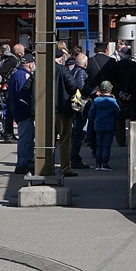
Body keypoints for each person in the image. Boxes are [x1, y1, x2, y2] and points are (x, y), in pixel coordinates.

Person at [54, 50, 80, 178]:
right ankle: (65, 168)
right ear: (60, 58)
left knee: (46, 142)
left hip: (45, 112)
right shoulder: (63, 70)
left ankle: (45, 166)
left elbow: (28, 86)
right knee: (64, 141)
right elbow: (73, 85)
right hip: (63, 110)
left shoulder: (40, 70)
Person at [8, 53, 36, 176]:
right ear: (30, 64)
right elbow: (24, 96)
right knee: (26, 140)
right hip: (24, 113)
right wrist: (31, 111)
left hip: (19, 111)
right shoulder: (24, 76)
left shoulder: (16, 74)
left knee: (27, 139)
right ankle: (22, 164)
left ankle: (27, 162)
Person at [87, 81, 121, 171]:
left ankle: (98, 164)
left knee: (99, 145)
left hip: (98, 125)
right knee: (106, 145)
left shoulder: (96, 100)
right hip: (109, 125)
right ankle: (104, 163)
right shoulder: (112, 101)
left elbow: (91, 113)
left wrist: (95, 120)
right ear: (110, 89)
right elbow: (118, 113)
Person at [0, 44, 21, 141]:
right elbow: (2, 72)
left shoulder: (1, 59)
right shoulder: (12, 60)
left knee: (5, 110)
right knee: (9, 111)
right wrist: (5, 82)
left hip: (2, 86)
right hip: (9, 86)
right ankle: (8, 134)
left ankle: (6, 132)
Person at [70, 53, 91, 169]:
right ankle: (75, 158)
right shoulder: (81, 72)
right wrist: (93, 91)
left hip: (74, 106)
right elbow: (81, 86)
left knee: (76, 133)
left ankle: (74, 157)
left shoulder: (74, 70)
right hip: (80, 106)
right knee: (79, 133)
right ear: (85, 63)